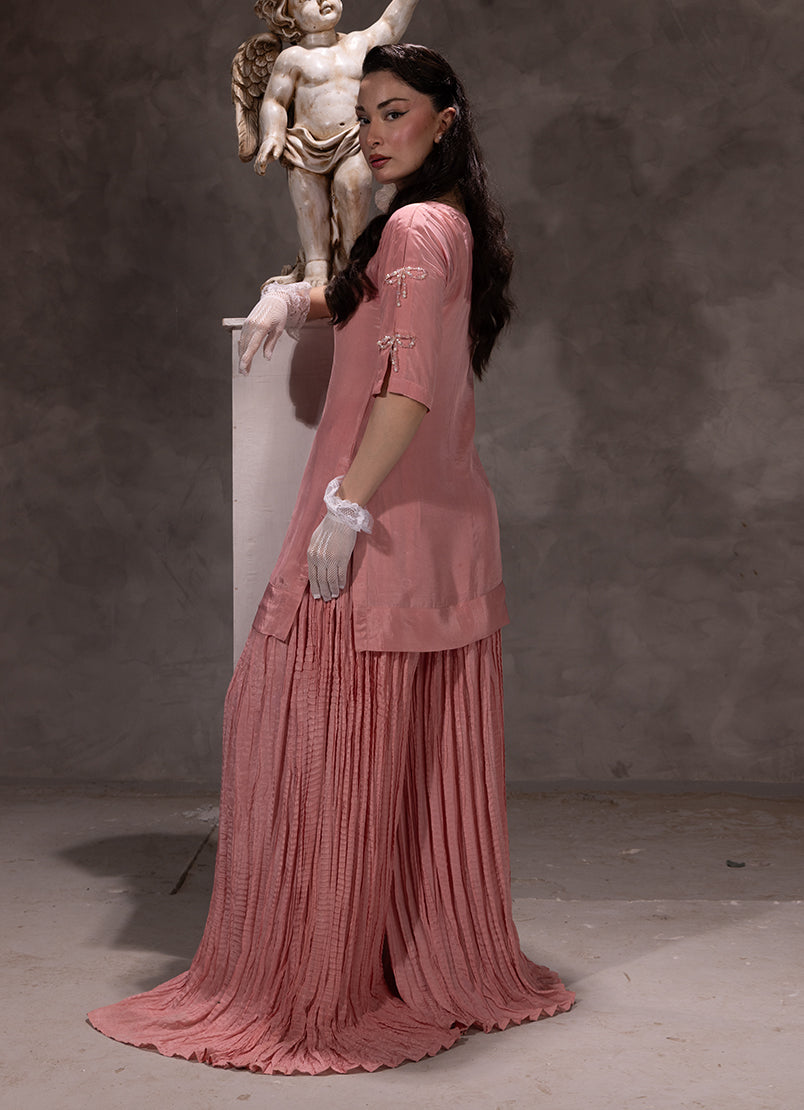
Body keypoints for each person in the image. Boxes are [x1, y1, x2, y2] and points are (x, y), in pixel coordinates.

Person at [88, 43, 574, 1075]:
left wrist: (346, 506)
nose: (373, 132)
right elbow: (387, 318)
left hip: (381, 532)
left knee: (307, 747)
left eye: (396, 112)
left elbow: (407, 387)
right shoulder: (442, 223)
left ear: (446, 119)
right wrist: (299, 299)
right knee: (410, 768)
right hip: (443, 535)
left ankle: (318, 980)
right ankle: (402, 955)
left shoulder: (414, 227)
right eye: (366, 113)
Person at [249, 0, 421, 283]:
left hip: (352, 142)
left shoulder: (357, 44)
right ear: (288, 17)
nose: (321, 0)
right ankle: (316, 266)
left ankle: (351, 260)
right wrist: (273, 135)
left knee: (353, 187)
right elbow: (275, 102)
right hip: (304, 148)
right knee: (310, 206)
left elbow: (389, 25)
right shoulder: (293, 58)